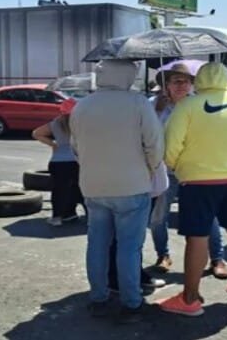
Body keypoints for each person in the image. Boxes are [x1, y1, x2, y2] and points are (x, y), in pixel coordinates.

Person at [159, 62, 227, 317]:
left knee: (197, 237)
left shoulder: (187, 105)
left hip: (197, 180)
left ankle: (190, 299)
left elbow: (171, 146)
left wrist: (181, 166)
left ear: (200, 80)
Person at [69, 60, 164, 323]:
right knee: (129, 248)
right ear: (128, 75)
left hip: (93, 186)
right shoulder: (138, 103)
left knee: (97, 244)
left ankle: (98, 298)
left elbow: (75, 147)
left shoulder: (82, 105)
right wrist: (151, 168)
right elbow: (155, 144)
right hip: (132, 185)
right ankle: (131, 302)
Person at [148, 65, 227, 279]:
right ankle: (162, 255)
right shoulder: (153, 106)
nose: (181, 85)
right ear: (167, 85)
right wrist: (157, 111)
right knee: (157, 218)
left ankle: (218, 259)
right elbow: (147, 135)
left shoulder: (201, 104)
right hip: (165, 170)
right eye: (176, 81)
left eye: (185, 81)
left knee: (208, 217)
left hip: (196, 170)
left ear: (192, 84)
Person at [31, 98, 83, 226]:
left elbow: (36, 133)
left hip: (58, 162)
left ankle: (57, 217)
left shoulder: (56, 123)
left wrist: (53, 144)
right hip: (78, 161)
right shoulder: (83, 123)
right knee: (79, 189)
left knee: (59, 190)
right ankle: (74, 213)